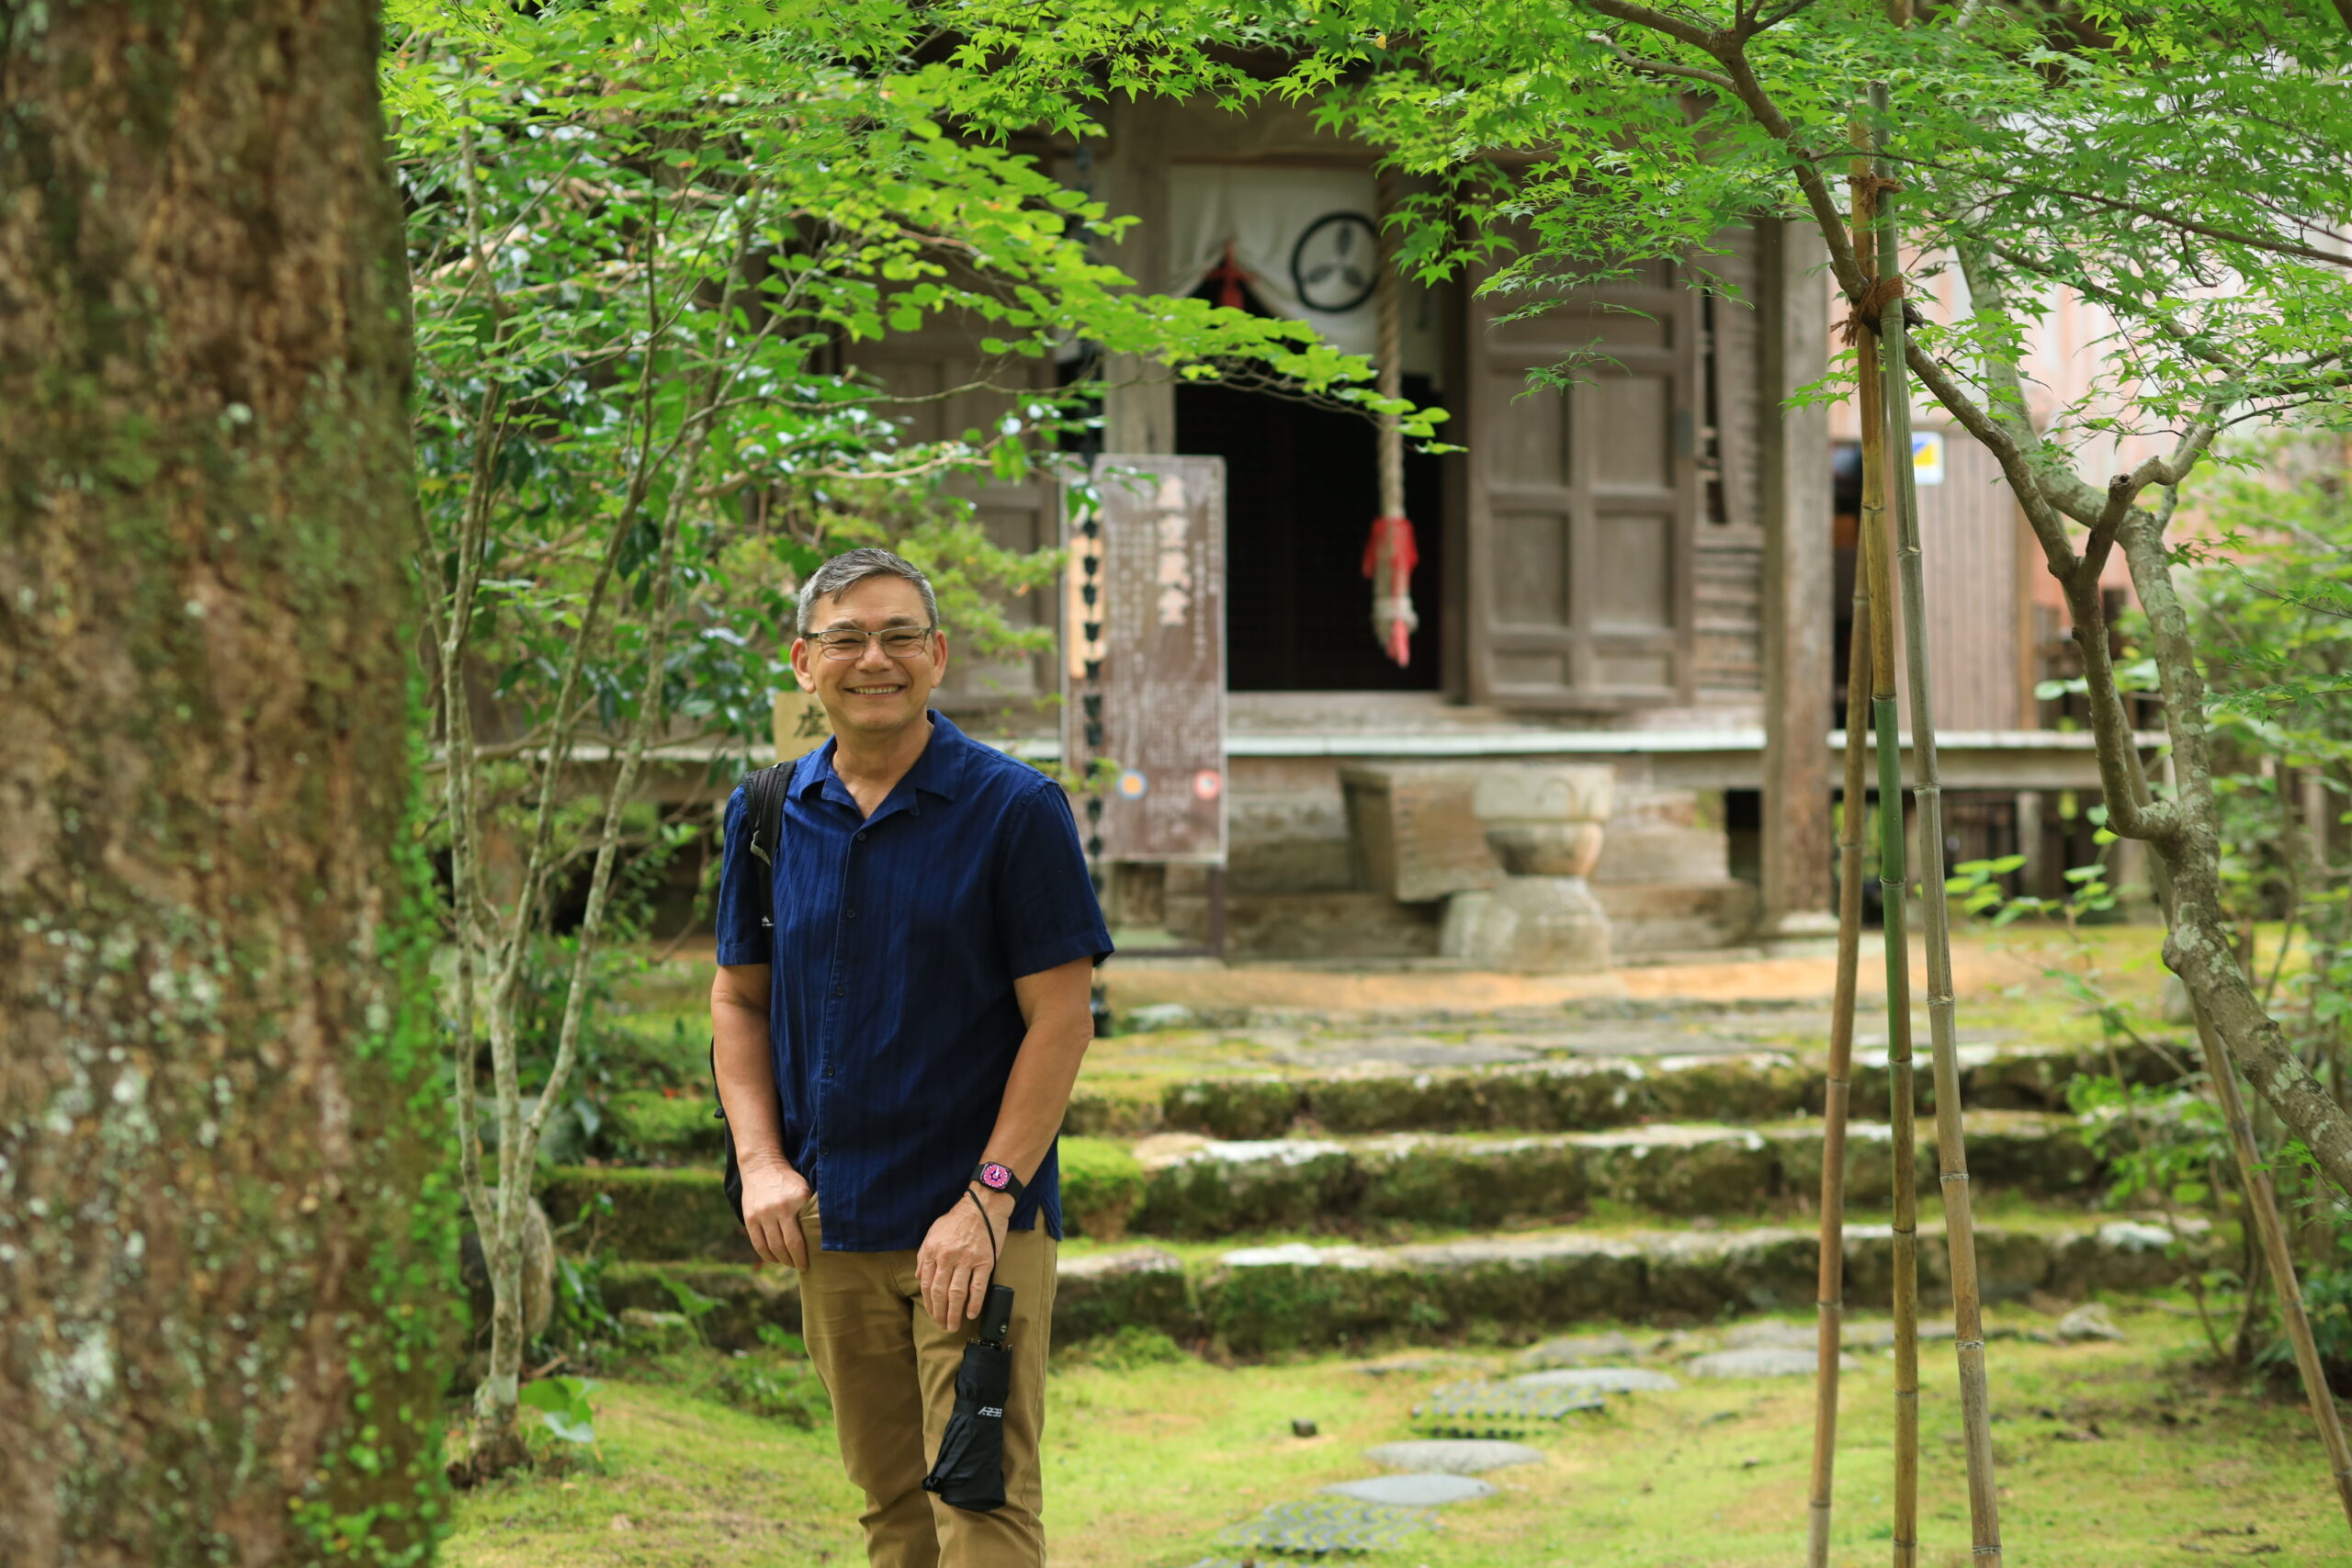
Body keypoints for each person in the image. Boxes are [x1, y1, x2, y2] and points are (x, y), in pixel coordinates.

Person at [710, 547, 1112, 1568]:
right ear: (805, 664)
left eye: (897, 636)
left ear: (936, 656)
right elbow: (738, 998)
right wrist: (761, 1164)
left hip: (977, 1225)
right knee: (890, 1510)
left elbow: (1061, 1023)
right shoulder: (765, 813)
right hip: (832, 1223)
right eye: (845, 638)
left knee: (979, 1505)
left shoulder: (1014, 811)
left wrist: (984, 1201)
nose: (872, 658)